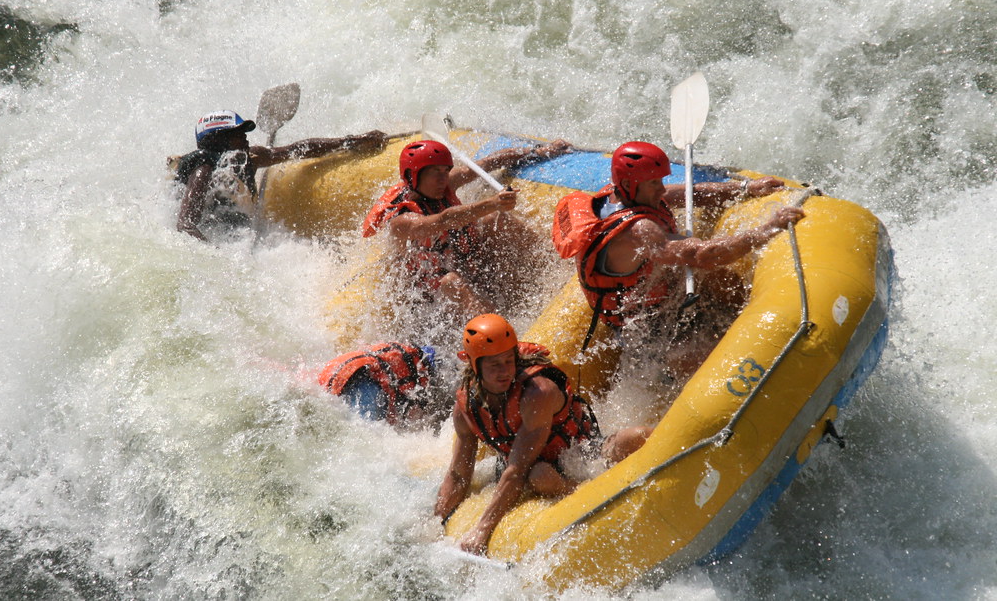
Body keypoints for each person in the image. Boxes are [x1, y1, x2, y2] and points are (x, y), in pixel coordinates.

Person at [552, 140, 806, 389]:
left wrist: (745, 188)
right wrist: (768, 228)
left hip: (664, 306)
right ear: (629, 184)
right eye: (655, 183)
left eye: (660, 180)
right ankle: (670, 386)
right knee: (715, 354)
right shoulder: (639, 231)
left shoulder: (620, 193)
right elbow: (704, 255)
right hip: (647, 333)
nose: (661, 189)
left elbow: (690, 194)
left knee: (728, 283)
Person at [433, 314, 652, 554]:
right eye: (494, 365)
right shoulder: (466, 408)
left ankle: (581, 488)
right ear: (475, 366)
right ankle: (574, 488)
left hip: (578, 452)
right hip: (529, 470)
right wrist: (437, 523)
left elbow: (517, 470)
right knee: (539, 475)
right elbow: (458, 473)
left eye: (509, 361)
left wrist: (482, 529)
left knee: (635, 437)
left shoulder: (538, 393)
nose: (505, 371)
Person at [362, 138, 570, 316]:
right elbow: (443, 220)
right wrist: (493, 203)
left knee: (497, 220)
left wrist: (539, 152)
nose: (443, 178)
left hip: (466, 262)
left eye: (446, 171)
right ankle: (501, 336)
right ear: (413, 176)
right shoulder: (402, 221)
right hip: (433, 297)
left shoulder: (444, 185)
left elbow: (488, 162)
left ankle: (561, 266)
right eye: (435, 172)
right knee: (451, 281)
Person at [175, 110, 385, 242]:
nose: (245, 138)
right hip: (218, 240)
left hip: (239, 236)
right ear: (216, 140)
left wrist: (351, 142)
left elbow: (298, 149)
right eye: (238, 134)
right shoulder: (203, 168)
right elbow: (185, 225)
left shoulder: (250, 158)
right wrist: (218, 257)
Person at [306, 341, 448, 432]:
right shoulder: (420, 372)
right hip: (365, 388)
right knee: (366, 435)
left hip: (335, 371)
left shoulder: (401, 351)